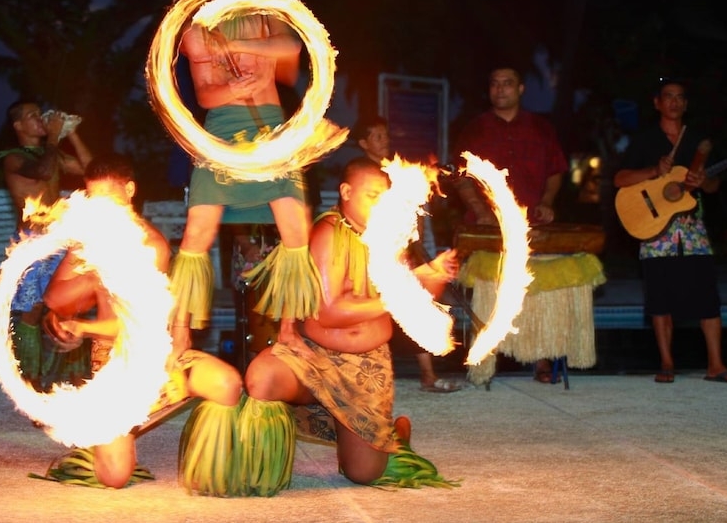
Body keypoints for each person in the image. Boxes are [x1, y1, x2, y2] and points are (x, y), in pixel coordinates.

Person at [239, 157, 460, 494]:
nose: (380, 205)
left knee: (363, 473)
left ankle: (394, 432)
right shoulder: (328, 232)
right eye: (371, 195)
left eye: (384, 197)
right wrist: (397, 294)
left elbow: (414, 301)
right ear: (345, 192)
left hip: (366, 366)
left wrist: (434, 277)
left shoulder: (390, 238)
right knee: (261, 378)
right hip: (314, 354)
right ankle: (280, 445)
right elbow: (329, 312)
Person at [41, 154, 243, 491]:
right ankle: (95, 436)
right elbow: (54, 299)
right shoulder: (88, 241)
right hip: (112, 362)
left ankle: (209, 468)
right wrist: (93, 273)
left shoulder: (152, 246)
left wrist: (83, 326)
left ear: (130, 190)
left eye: (109, 198)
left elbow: (141, 324)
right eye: (94, 199)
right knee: (116, 476)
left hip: (155, 352)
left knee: (226, 383)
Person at [171, 0, 315, 358]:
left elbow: (289, 49)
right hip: (222, 129)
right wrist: (230, 87)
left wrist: (234, 47)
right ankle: (181, 332)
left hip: (268, 126)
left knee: (294, 226)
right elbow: (204, 97)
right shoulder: (197, 29)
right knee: (197, 229)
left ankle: (289, 329)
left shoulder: (267, 15)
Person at [613, 78, 727, 384]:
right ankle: (667, 363)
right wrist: (653, 172)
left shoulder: (699, 141)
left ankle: (716, 365)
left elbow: (712, 186)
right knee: (660, 300)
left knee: (708, 298)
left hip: (693, 231)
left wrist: (704, 183)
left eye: (680, 97)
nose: (674, 102)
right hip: (655, 232)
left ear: (685, 104)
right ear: (657, 102)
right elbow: (619, 178)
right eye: (668, 96)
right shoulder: (644, 141)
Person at [453, 67, 568, 382]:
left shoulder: (542, 128)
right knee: (491, 289)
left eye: (507, 84)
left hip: (530, 225)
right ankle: (487, 359)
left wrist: (547, 202)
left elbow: (556, 171)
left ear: (521, 89)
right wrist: (480, 210)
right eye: (494, 83)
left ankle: (541, 359)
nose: (500, 89)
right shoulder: (475, 129)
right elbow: (461, 177)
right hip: (488, 228)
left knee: (538, 289)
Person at [354, 115, 462, 393]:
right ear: (363, 143)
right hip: (370, 256)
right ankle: (370, 381)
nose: (384, 140)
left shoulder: (397, 171)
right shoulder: (361, 174)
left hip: (401, 254)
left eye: (385, 134)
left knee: (416, 306)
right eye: (377, 136)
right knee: (377, 316)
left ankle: (427, 375)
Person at [0, 98, 93, 391]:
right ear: (18, 126)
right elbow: (40, 171)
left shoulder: (51, 153)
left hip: (60, 240)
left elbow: (92, 172)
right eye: (32, 115)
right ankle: (32, 384)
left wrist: (71, 133)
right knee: (32, 311)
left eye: (40, 114)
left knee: (69, 306)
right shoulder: (13, 158)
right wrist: (53, 137)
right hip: (33, 244)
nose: (40, 118)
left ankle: (75, 381)